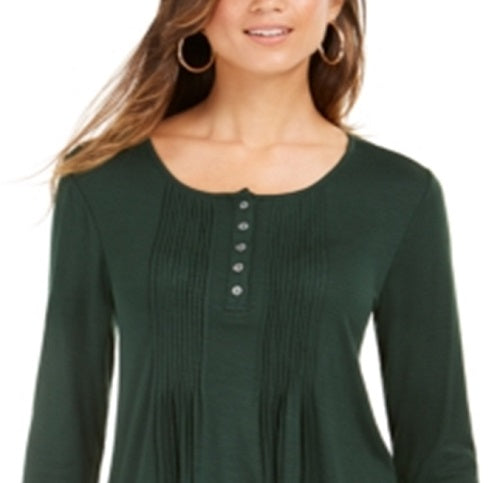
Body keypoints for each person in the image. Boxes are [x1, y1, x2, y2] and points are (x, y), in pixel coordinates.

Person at [22, 0, 479, 482]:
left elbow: (439, 449)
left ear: (333, 5)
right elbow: (62, 434)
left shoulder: (399, 194)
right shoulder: (102, 183)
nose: (268, 4)